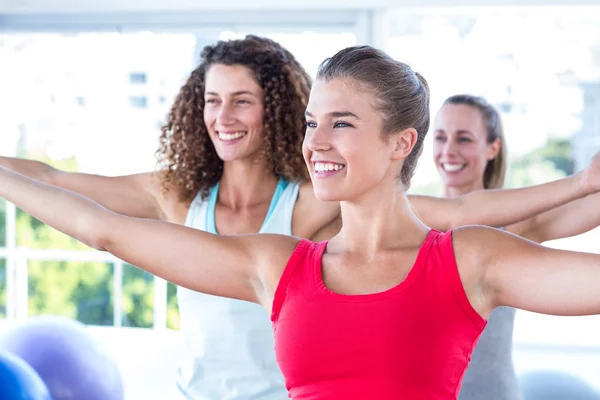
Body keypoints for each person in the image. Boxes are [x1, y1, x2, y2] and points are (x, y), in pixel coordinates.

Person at [2, 43, 600, 400]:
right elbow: (105, 229)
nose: (316, 142)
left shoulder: (468, 260)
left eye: (341, 123)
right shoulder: (275, 263)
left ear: (401, 143)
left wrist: (582, 184)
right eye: (313, 122)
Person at [433, 94, 600, 400]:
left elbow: (590, 205)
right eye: (441, 137)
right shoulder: (412, 226)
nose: (448, 150)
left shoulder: (511, 225)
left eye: (464, 139)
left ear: (493, 148)